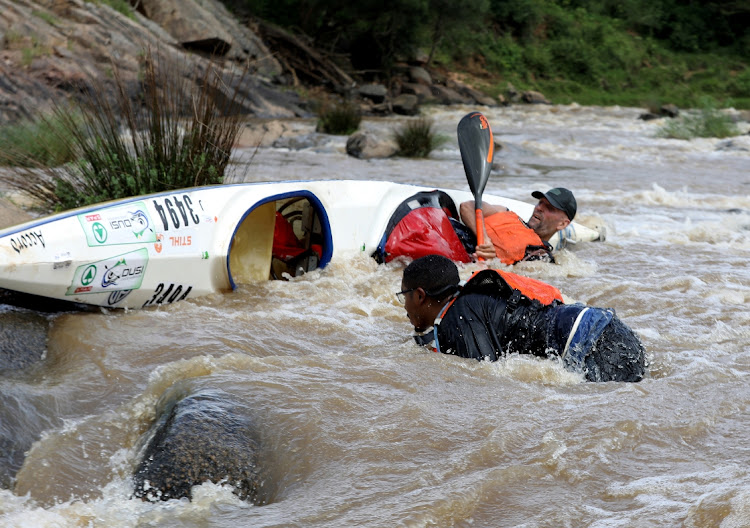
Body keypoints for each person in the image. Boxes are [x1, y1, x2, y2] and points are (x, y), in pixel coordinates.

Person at [398, 254, 646, 382]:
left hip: (592, 344)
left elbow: (484, 375)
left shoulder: (458, 318)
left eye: (404, 296)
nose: (404, 306)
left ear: (419, 296)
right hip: (607, 328)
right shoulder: (471, 296)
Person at [459, 187, 577, 264]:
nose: (539, 208)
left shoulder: (541, 258)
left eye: (549, 208)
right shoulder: (504, 212)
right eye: (540, 203)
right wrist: (484, 238)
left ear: (562, 224)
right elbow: (467, 206)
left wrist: (492, 263)